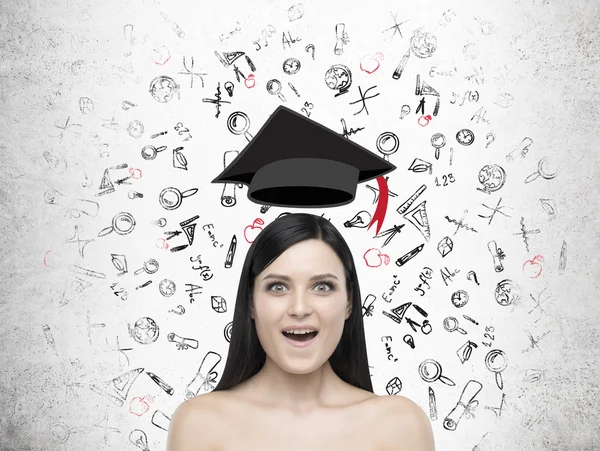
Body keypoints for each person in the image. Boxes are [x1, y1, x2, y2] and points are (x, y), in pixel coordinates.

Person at [167, 213, 435, 450]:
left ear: (349, 302)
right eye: (278, 287)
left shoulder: (400, 425)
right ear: (250, 302)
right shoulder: (199, 423)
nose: (299, 308)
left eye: (322, 287)